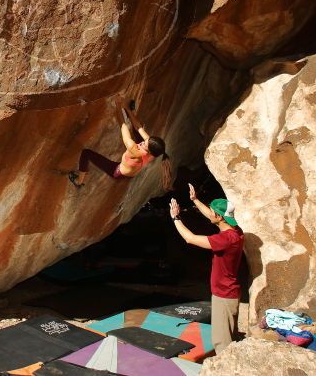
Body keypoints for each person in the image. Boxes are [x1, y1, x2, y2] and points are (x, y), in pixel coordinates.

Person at [169, 183, 244, 354]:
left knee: (221, 343)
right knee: (229, 338)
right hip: (230, 292)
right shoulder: (236, 232)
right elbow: (212, 216)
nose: (209, 213)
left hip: (223, 296)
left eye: (212, 211)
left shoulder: (224, 239)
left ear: (219, 217)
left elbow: (190, 239)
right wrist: (195, 200)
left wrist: (176, 218)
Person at [68, 96, 173, 189]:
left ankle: (79, 181)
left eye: (145, 144)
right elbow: (139, 127)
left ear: (149, 151)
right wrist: (127, 108)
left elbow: (122, 125)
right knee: (138, 130)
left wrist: (118, 105)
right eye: (146, 141)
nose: (143, 143)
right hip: (133, 169)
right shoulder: (154, 150)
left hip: (118, 171)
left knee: (86, 153)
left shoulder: (133, 149)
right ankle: (131, 111)